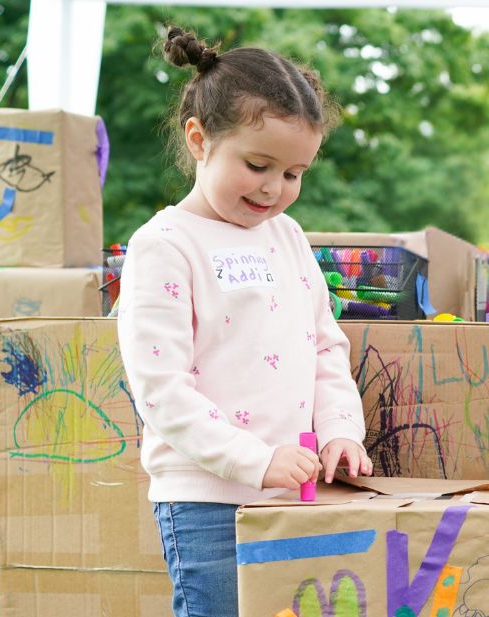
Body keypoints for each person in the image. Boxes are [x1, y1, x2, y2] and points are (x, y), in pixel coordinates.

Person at [117, 27, 372, 617]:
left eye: (294, 174)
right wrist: (255, 462)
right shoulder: (165, 245)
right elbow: (161, 392)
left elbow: (324, 349)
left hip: (297, 494)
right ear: (200, 139)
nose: (274, 189)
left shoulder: (288, 237)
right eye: (258, 165)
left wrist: (340, 430)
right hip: (208, 504)